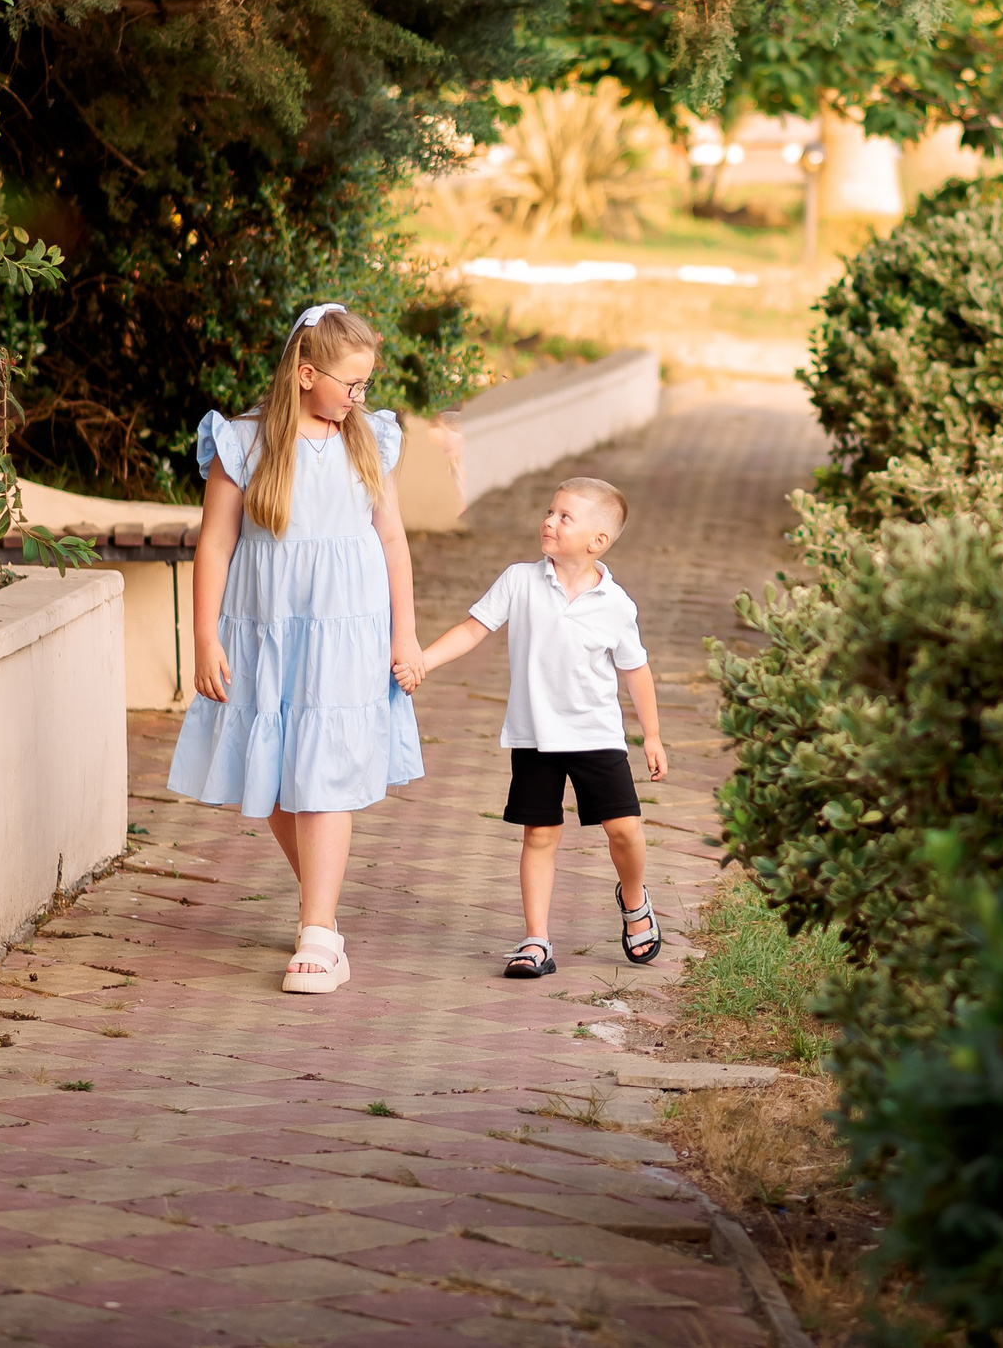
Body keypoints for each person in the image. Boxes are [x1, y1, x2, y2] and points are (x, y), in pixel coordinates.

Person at [168, 303, 426, 994]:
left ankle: (317, 931)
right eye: (349, 383)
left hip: (347, 628)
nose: (359, 397)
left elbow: (392, 541)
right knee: (278, 775)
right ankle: (326, 914)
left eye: (366, 385)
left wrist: (405, 630)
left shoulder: (367, 439)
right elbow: (216, 544)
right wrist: (204, 634)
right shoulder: (244, 442)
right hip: (267, 627)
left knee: (325, 773)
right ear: (306, 373)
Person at [399, 476, 667, 978]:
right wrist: (422, 662)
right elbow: (472, 628)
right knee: (539, 835)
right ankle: (536, 941)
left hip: (597, 737)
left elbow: (636, 670)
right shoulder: (519, 580)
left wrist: (651, 735)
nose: (548, 521)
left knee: (624, 829)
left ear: (597, 542)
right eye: (549, 511)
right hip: (535, 737)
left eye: (565, 516)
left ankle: (634, 900)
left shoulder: (615, 603)